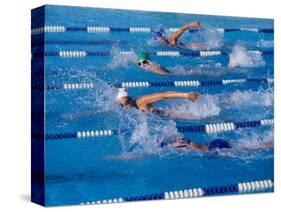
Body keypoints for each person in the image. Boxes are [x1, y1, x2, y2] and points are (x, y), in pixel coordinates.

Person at [116, 88, 200, 119]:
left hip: (173, 114)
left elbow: (164, 95)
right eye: (122, 105)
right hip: (165, 117)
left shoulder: (141, 101)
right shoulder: (131, 108)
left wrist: (186, 95)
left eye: (126, 102)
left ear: (131, 99)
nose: (125, 106)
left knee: (198, 117)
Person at [164, 137, 274, 152]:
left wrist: (188, 143)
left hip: (216, 147)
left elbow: (203, 149)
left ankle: (271, 143)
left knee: (247, 149)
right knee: (246, 146)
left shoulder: (183, 143)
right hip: (214, 143)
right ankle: (270, 142)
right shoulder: (180, 143)